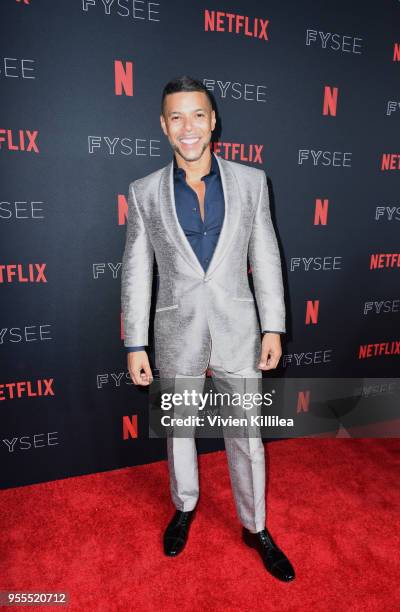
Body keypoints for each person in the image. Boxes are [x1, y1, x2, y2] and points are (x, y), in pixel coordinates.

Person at [121, 75, 295, 582]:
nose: (188, 126)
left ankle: (255, 525)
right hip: (176, 332)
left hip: (240, 331)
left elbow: (266, 257)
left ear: (213, 120)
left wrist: (274, 327)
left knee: (246, 435)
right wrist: (135, 341)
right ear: (163, 125)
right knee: (178, 431)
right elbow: (136, 269)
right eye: (176, 116)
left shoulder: (252, 180)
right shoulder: (145, 191)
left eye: (198, 114)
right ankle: (185, 505)